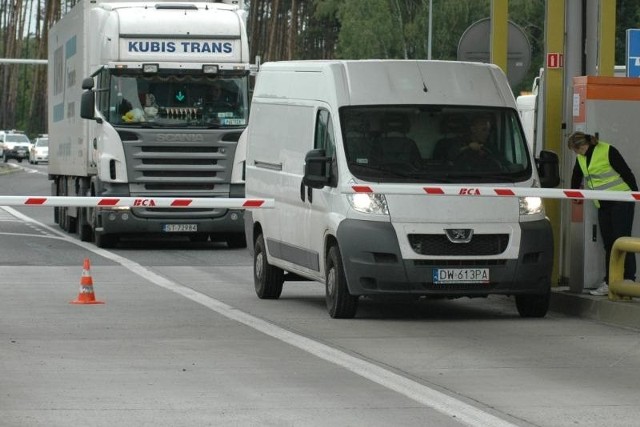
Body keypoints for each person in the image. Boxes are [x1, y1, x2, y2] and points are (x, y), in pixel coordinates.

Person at [568, 131, 638, 296]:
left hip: (622, 201)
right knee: (610, 243)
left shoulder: (607, 150)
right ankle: (610, 281)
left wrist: (635, 195)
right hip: (603, 204)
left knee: (623, 239)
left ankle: (628, 278)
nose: (575, 153)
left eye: (574, 149)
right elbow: (576, 176)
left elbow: (626, 172)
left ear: (581, 146)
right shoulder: (581, 158)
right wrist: (574, 195)